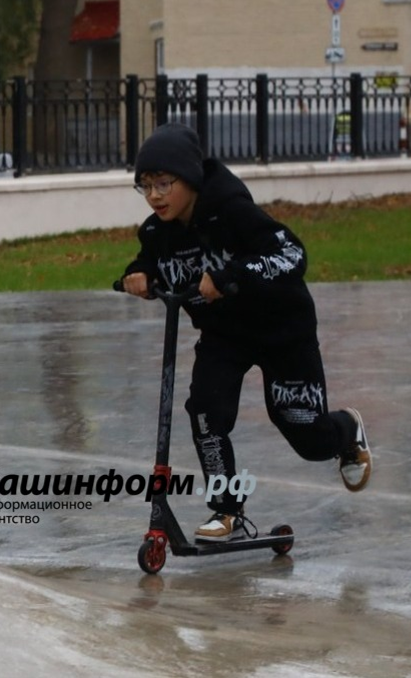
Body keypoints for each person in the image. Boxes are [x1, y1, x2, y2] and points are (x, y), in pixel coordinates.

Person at [118, 123, 372, 541]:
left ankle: (346, 429)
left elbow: (292, 253)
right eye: (144, 186)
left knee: (305, 434)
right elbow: (148, 261)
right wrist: (138, 274)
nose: (155, 195)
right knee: (206, 412)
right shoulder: (156, 231)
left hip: (282, 329)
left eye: (165, 183)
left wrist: (232, 274)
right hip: (224, 335)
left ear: (191, 177)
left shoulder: (232, 210)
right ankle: (227, 511)